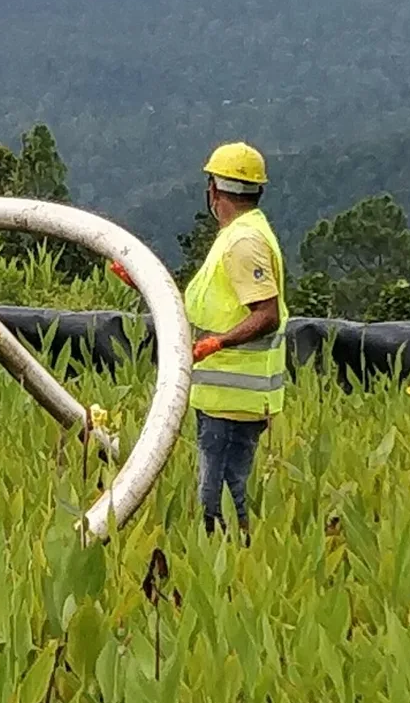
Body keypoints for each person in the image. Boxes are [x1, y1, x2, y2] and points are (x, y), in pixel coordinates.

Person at [113, 142, 288, 536]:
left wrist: (219, 343)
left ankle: (231, 570)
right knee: (220, 493)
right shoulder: (236, 236)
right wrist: (141, 282)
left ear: (214, 189)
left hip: (233, 402)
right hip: (220, 399)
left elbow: (267, 314)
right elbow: (195, 309)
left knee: (220, 499)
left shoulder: (244, 242)